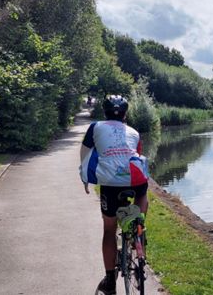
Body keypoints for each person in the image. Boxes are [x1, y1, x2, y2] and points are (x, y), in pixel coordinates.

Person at [79, 95, 149, 295]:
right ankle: (138, 226)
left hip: (109, 183)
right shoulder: (134, 132)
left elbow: (84, 154)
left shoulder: (96, 127)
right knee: (142, 193)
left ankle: (110, 281)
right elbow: (137, 156)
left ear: (105, 112)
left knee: (109, 229)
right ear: (126, 114)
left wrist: (85, 178)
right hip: (134, 181)